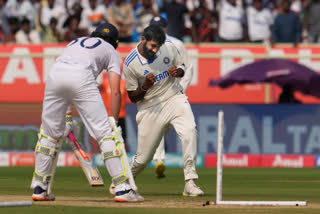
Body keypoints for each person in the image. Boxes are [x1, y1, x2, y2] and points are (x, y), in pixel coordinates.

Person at [30, 22, 144, 203]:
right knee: (106, 135)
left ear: (93, 34)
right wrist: (113, 122)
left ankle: (40, 187)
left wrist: (66, 115)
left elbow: (65, 76)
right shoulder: (111, 51)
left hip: (55, 76)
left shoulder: (75, 42)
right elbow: (116, 91)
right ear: (115, 42)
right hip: (82, 77)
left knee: (49, 135)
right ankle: (122, 188)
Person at [123, 24, 204, 196]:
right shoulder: (130, 63)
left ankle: (190, 182)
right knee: (144, 158)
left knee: (189, 131)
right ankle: (126, 181)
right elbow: (132, 97)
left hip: (174, 97)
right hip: (150, 107)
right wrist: (145, 86)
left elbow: (182, 66)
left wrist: (178, 72)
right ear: (142, 39)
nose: (155, 50)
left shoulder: (168, 47)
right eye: (152, 46)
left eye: (158, 46)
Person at [148, 16, 194, 179]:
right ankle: (159, 160)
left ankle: (189, 173)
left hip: (175, 94)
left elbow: (188, 68)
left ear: (166, 28)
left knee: (186, 131)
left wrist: (182, 88)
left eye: (160, 27)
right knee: (157, 129)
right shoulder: (147, 45)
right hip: (157, 95)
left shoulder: (177, 44)